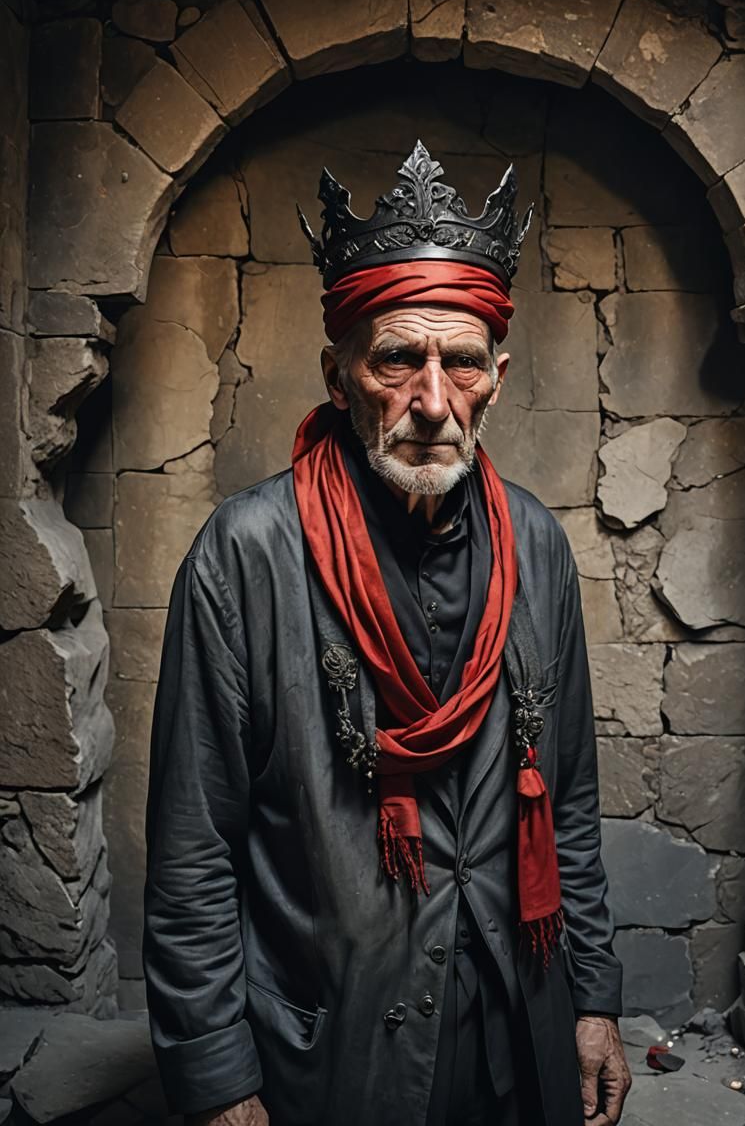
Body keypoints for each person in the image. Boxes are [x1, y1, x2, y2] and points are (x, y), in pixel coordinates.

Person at [143, 142, 631, 1126]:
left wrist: (593, 1002)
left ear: (494, 374)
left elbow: (566, 800)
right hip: (336, 1046)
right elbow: (194, 847)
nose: (431, 402)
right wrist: (215, 1079)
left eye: (458, 363)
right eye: (397, 358)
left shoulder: (534, 545)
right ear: (339, 374)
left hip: (512, 1021)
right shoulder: (245, 556)